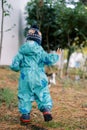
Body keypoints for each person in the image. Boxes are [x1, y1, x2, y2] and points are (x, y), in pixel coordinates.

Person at [10, 25, 60, 124]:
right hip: (39, 77)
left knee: (25, 95)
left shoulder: (22, 51)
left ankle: (25, 116)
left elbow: (14, 65)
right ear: (39, 40)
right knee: (43, 93)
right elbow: (48, 59)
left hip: (26, 78)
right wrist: (56, 55)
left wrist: (20, 69)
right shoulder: (40, 51)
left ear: (28, 38)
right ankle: (46, 110)